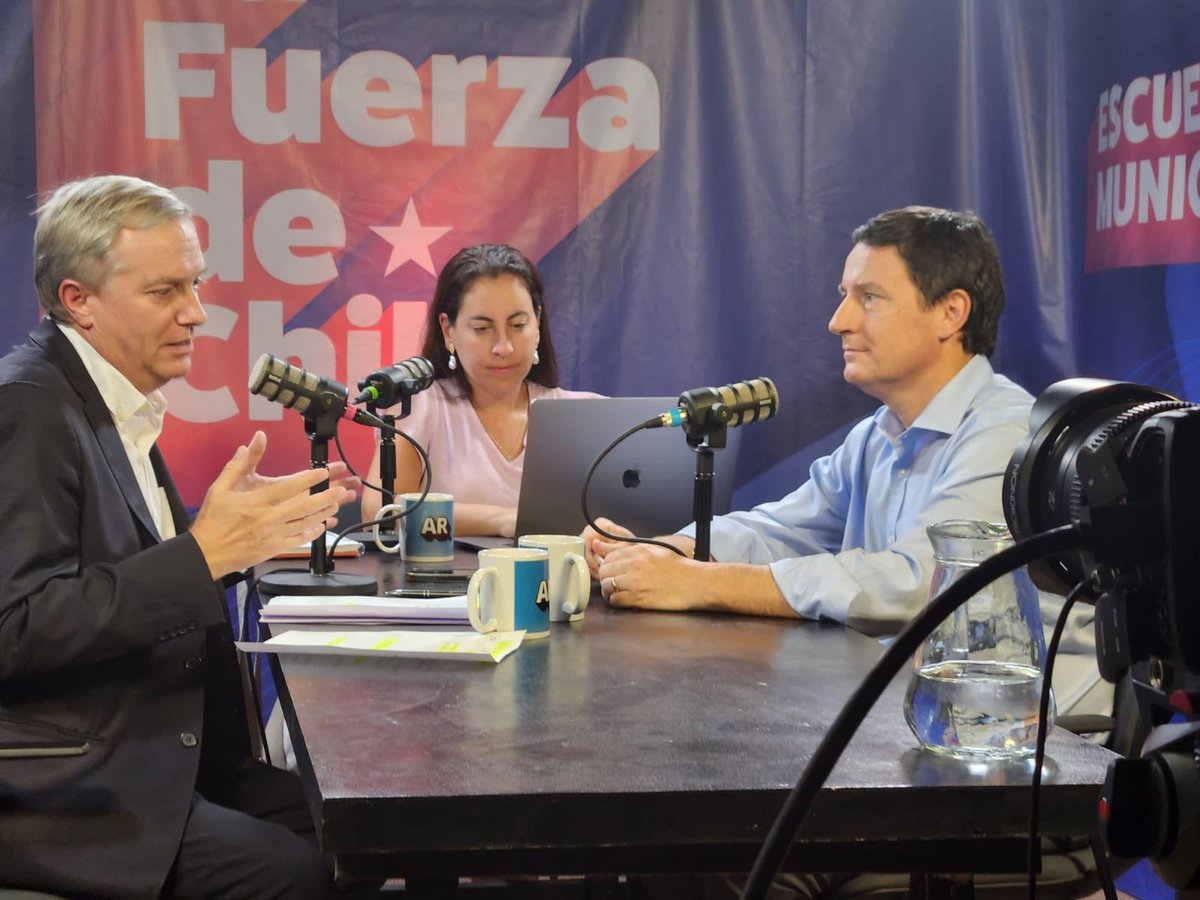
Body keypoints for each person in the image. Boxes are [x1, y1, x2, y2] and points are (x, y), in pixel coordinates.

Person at [586, 205, 1110, 714]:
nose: (839, 321)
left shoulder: (1006, 431)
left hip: (1036, 739)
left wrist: (700, 584)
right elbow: (779, 529)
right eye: (844, 297)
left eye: (870, 298)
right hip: (927, 711)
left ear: (951, 313)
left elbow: (919, 585)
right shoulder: (877, 435)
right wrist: (656, 551)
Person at [0, 175, 355, 898]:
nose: (196, 314)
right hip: (73, 789)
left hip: (174, 757)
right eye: (165, 292)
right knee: (291, 875)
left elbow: (124, 568)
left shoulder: (109, 398)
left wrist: (231, 541)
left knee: (365, 834)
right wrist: (203, 554)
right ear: (78, 301)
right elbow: (14, 628)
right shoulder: (28, 410)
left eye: (195, 285)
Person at [362, 243, 599, 537]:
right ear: (448, 330)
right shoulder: (421, 405)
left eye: (518, 324)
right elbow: (381, 512)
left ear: (537, 322)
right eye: (482, 329)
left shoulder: (584, 414)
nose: (503, 347)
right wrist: (501, 520)